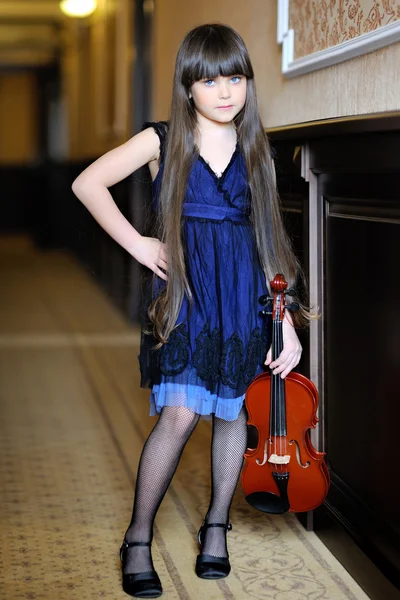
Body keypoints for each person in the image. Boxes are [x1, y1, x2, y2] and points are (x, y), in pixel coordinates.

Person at [72, 23, 304, 599]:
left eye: (236, 78)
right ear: (188, 86)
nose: (225, 91)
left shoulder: (258, 153)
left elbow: (270, 246)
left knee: (231, 416)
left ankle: (216, 528)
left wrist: (285, 325)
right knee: (177, 416)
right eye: (209, 80)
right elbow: (88, 183)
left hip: (243, 304)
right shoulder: (164, 140)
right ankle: (138, 536)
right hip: (187, 302)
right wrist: (142, 245)